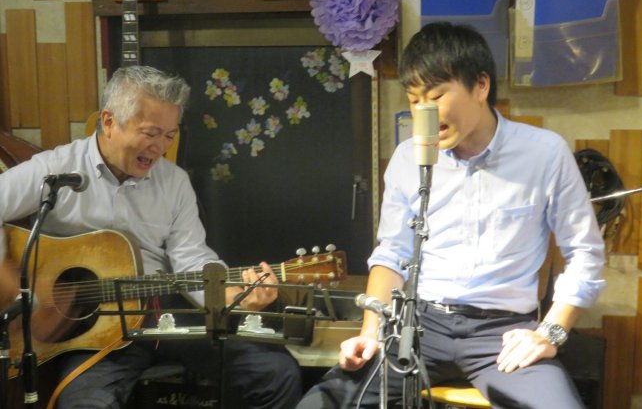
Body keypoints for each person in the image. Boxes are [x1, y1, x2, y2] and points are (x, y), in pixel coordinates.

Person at [297, 22, 606, 408]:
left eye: (436, 96)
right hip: (420, 324)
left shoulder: (545, 154)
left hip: (502, 332)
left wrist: (550, 333)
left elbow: (585, 253)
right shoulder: (409, 158)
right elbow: (392, 254)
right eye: (414, 100)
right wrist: (371, 332)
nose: (423, 112)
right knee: (321, 403)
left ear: (481, 86)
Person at [0, 65, 302, 408]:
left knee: (277, 373)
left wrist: (234, 296)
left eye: (169, 135)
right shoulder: (54, 170)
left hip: (166, 313)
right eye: (150, 133)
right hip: (93, 335)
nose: (159, 148)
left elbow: (191, 258)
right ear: (109, 121)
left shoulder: (174, 182)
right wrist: (19, 291)